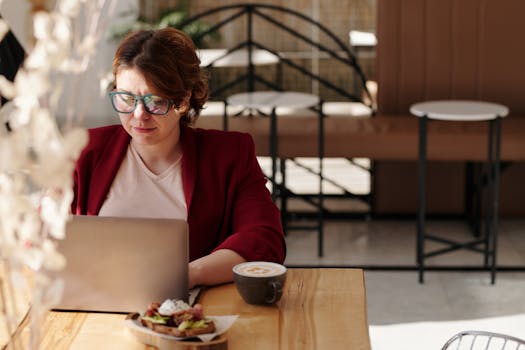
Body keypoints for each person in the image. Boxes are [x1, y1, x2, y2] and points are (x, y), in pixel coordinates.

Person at [71, 28, 286, 288]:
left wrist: (189, 274)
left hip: (186, 315)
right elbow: (42, 235)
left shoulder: (229, 154)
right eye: (126, 98)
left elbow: (265, 239)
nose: (139, 114)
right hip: (94, 305)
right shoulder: (84, 150)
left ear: (183, 100)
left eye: (155, 101)